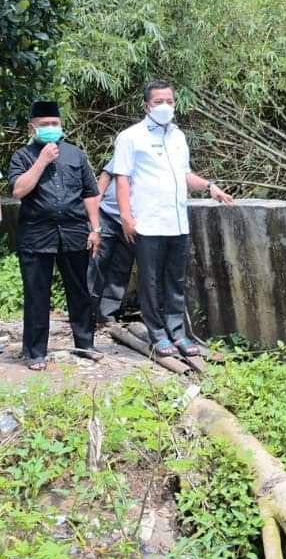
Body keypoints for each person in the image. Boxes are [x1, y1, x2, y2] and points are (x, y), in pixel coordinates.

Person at [112, 80, 234, 358]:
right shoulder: (131, 137)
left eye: (169, 101)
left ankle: (177, 332)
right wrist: (126, 218)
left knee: (175, 280)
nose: (165, 106)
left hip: (177, 222)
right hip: (148, 222)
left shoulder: (178, 136)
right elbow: (122, 180)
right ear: (146, 106)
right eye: (158, 102)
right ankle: (157, 334)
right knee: (151, 280)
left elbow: (184, 175)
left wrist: (209, 186)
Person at [7, 100, 103, 371]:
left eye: (55, 124)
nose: (51, 128)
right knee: (37, 294)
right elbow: (18, 191)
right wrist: (42, 161)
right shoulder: (22, 157)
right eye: (45, 124)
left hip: (74, 233)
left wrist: (96, 228)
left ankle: (85, 344)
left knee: (80, 291)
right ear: (32, 128)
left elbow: (90, 193)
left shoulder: (75, 155)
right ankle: (35, 352)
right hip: (37, 235)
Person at [87, 158, 134, 325]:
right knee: (96, 263)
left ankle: (107, 314)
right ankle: (87, 312)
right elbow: (106, 177)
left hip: (132, 222)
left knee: (120, 269)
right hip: (107, 214)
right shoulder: (129, 146)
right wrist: (95, 205)